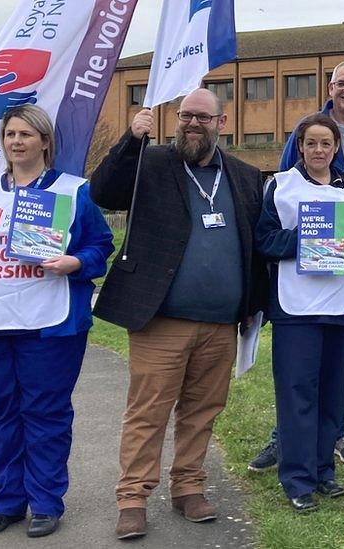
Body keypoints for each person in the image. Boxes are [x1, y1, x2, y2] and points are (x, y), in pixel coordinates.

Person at [90, 88, 268, 540]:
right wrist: (131, 139)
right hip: (161, 320)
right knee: (148, 411)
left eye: (202, 118)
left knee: (202, 410)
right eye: (186, 115)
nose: (192, 123)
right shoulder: (149, 164)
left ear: (221, 123)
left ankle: (188, 486)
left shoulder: (245, 177)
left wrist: (252, 306)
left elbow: (255, 246)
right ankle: (133, 497)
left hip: (221, 324)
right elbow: (103, 192)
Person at [0, 104, 114, 538]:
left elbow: (100, 245)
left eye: (26, 134)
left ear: (44, 141)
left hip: (48, 322)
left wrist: (76, 261)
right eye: (10, 134)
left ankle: (45, 502)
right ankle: (4, 502)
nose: (16, 142)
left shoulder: (74, 191)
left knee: (45, 413)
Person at [249, 60, 344, 471]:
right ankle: (288, 447)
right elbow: (270, 232)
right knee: (298, 382)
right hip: (300, 297)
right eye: (340, 83)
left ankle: (341, 435)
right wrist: (308, 240)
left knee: (343, 370)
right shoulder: (287, 176)